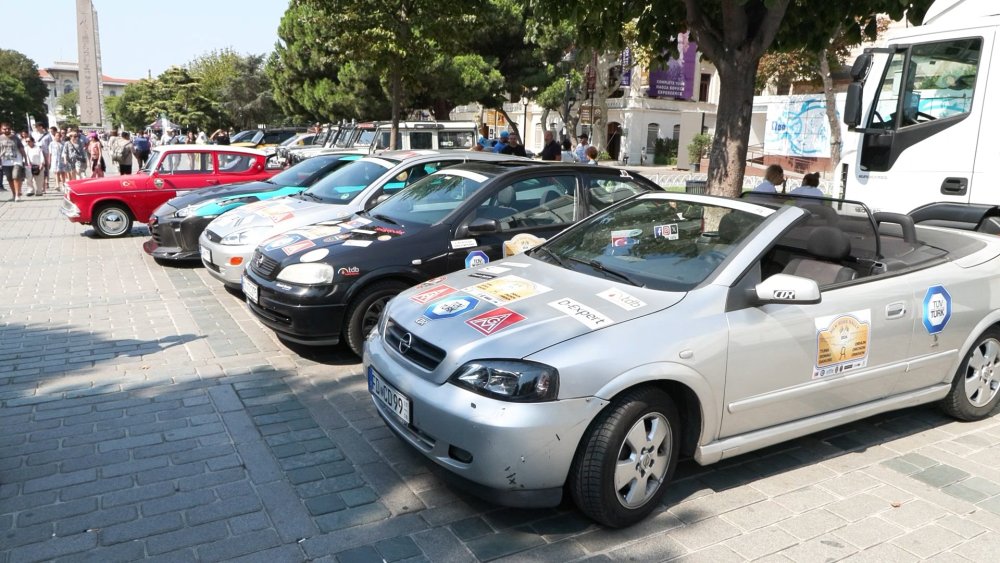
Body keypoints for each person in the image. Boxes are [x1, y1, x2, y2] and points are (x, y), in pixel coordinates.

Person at [1, 122, 29, 201]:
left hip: (17, 160)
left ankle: (17, 195)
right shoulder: (0, 138)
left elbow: (21, 149)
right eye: (4, 129)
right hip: (5, 161)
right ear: (1, 129)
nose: (7, 130)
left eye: (8, 129)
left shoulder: (15, 138)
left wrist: (25, 159)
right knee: (9, 179)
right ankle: (14, 194)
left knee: (16, 176)